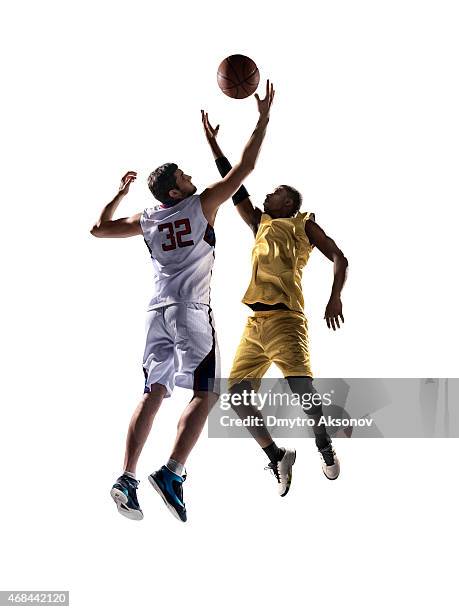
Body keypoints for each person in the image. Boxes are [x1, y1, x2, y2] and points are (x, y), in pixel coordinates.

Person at [90, 81, 275, 522]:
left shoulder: (149, 218)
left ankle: (126, 476)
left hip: (157, 312)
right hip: (191, 310)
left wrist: (119, 193)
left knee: (153, 391)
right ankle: (173, 471)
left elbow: (99, 228)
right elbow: (245, 167)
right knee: (206, 392)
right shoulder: (200, 204)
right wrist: (263, 116)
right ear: (177, 192)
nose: (192, 179)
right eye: (185, 178)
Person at [201, 110, 348, 496]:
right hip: (254, 325)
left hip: (286, 320)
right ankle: (276, 456)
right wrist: (214, 145)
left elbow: (339, 257)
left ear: (289, 202)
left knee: (302, 392)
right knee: (235, 397)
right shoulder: (259, 223)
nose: (267, 194)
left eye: (275, 191)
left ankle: (324, 446)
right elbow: (235, 185)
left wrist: (335, 296)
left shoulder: (302, 225)